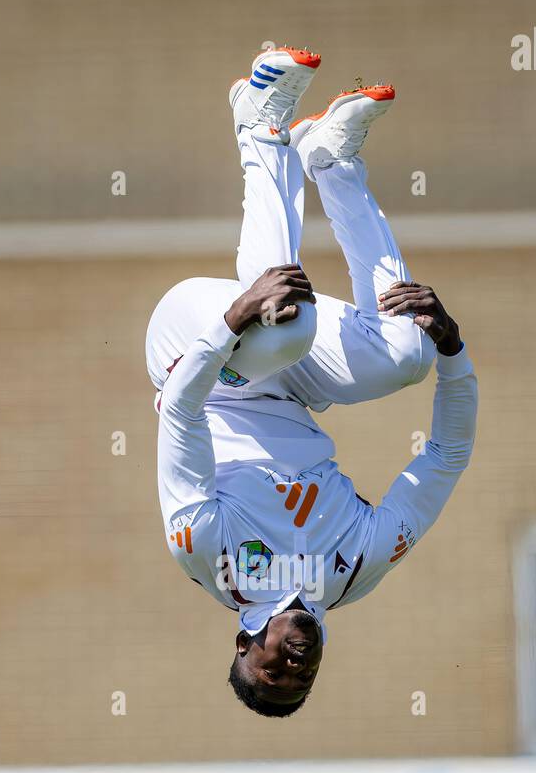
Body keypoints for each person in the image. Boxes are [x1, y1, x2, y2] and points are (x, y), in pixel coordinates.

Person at [148, 46, 479, 716]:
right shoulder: (355, 568)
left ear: (244, 647)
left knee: (284, 323)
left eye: (274, 677)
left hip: (192, 355)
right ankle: (332, 162)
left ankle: (259, 125)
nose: (295, 671)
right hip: (289, 383)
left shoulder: (208, 559)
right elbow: (445, 458)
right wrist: (453, 351)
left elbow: (180, 413)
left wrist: (233, 317)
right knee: (407, 352)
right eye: (303, 684)